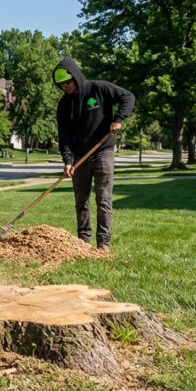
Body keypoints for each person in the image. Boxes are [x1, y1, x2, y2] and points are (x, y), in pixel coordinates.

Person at [52, 58, 135, 251]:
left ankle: (103, 243)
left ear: (76, 76)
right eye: (61, 85)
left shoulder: (99, 89)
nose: (65, 87)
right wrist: (67, 160)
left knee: (103, 198)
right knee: (81, 200)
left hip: (103, 151)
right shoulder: (64, 105)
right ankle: (83, 241)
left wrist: (119, 119)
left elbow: (128, 97)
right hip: (80, 157)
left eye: (68, 82)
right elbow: (64, 135)